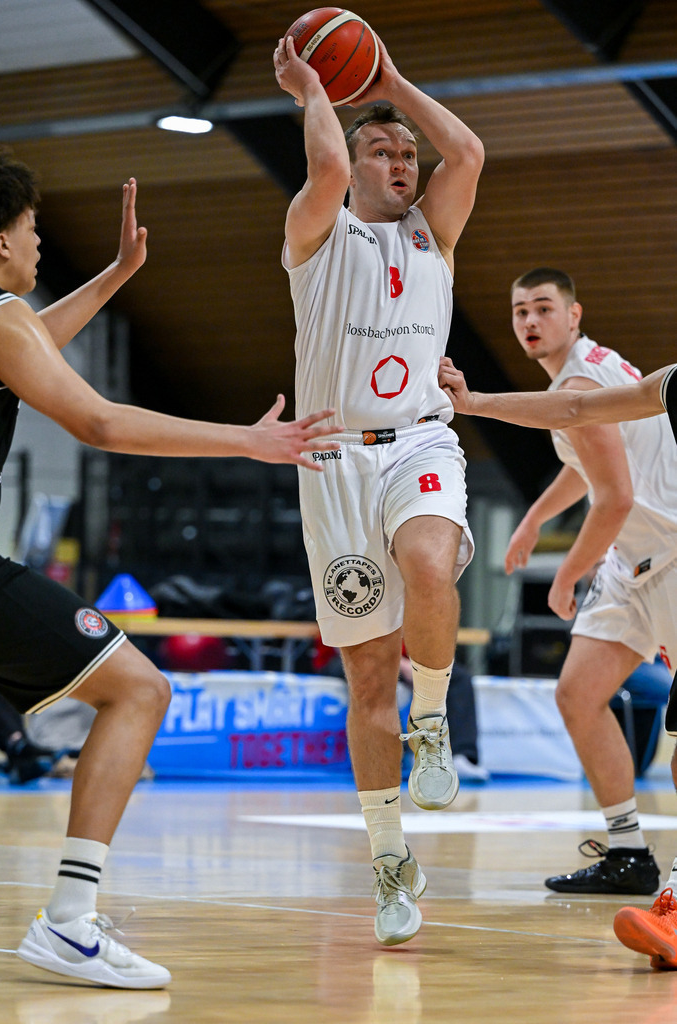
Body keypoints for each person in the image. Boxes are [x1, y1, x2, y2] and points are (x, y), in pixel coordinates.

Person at [0, 142, 340, 989]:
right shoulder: (1, 316)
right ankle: (70, 920)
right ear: (2, 241)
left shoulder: (7, 326)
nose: (38, 243)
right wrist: (249, 441)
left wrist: (115, 275)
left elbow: (32, 344)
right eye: (33, 227)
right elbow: (100, 423)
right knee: (139, 690)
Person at [273, 31, 483, 946]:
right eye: (383, 151)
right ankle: (390, 861)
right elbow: (323, 163)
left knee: (430, 562)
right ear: (354, 166)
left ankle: (430, 720)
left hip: (419, 440)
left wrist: (389, 77)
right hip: (334, 461)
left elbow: (467, 151)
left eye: (407, 153)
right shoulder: (317, 235)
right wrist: (315, 91)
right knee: (365, 676)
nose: (403, 163)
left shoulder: (434, 233)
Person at [441, 352, 677, 967]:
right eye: (521, 310)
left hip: (668, 557)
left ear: (574, 316)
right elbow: (576, 412)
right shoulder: (658, 382)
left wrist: (569, 570)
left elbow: (614, 491)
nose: (529, 320)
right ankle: (635, 858)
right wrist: (476, 403)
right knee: (579, 694)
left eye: (543, 308)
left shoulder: (585, 367)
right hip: (633, 564)